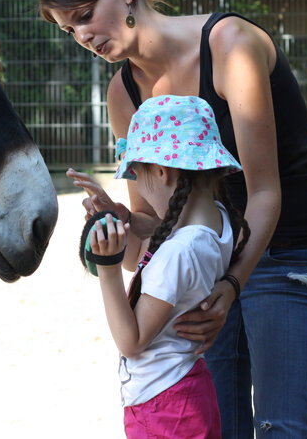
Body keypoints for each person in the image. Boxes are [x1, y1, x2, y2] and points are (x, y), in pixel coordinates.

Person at [41, 0, 307, 438]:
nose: (83, 35)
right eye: (69, 28)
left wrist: (230, 286)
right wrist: (120, 221)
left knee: (279, 428)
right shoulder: (124, 93)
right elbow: (157, 232)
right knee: (222, 428)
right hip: (207, 256)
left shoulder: (229, 46)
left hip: (288, 243)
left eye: (85, 14)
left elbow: (264, 192)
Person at [83, 94, 248, 438]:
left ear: (162, 172)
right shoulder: (216, 224)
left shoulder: (180, 251)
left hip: (165, 410)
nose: (141, 191)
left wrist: (108, 269)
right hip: (185, 395)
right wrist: (117, 219)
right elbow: (142, 258)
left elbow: (132, 340)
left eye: (139, 179)